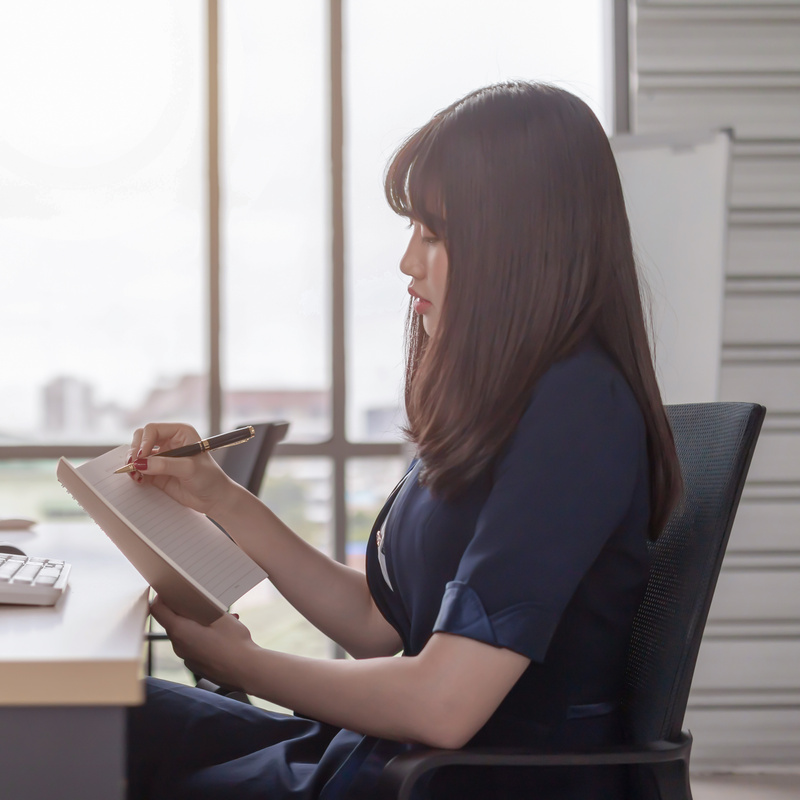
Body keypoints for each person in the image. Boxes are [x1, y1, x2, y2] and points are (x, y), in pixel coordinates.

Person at [124, 81, 682, 800]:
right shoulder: (515, 402)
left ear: (517, 244)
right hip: (392, 756)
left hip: (453, 781)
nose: (407, 262)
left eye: (433, 233)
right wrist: (221, 500)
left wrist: (247, 663)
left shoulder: (578, 412)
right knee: (109, 715)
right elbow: (379, 628)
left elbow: (444, 703)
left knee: (94, 752)